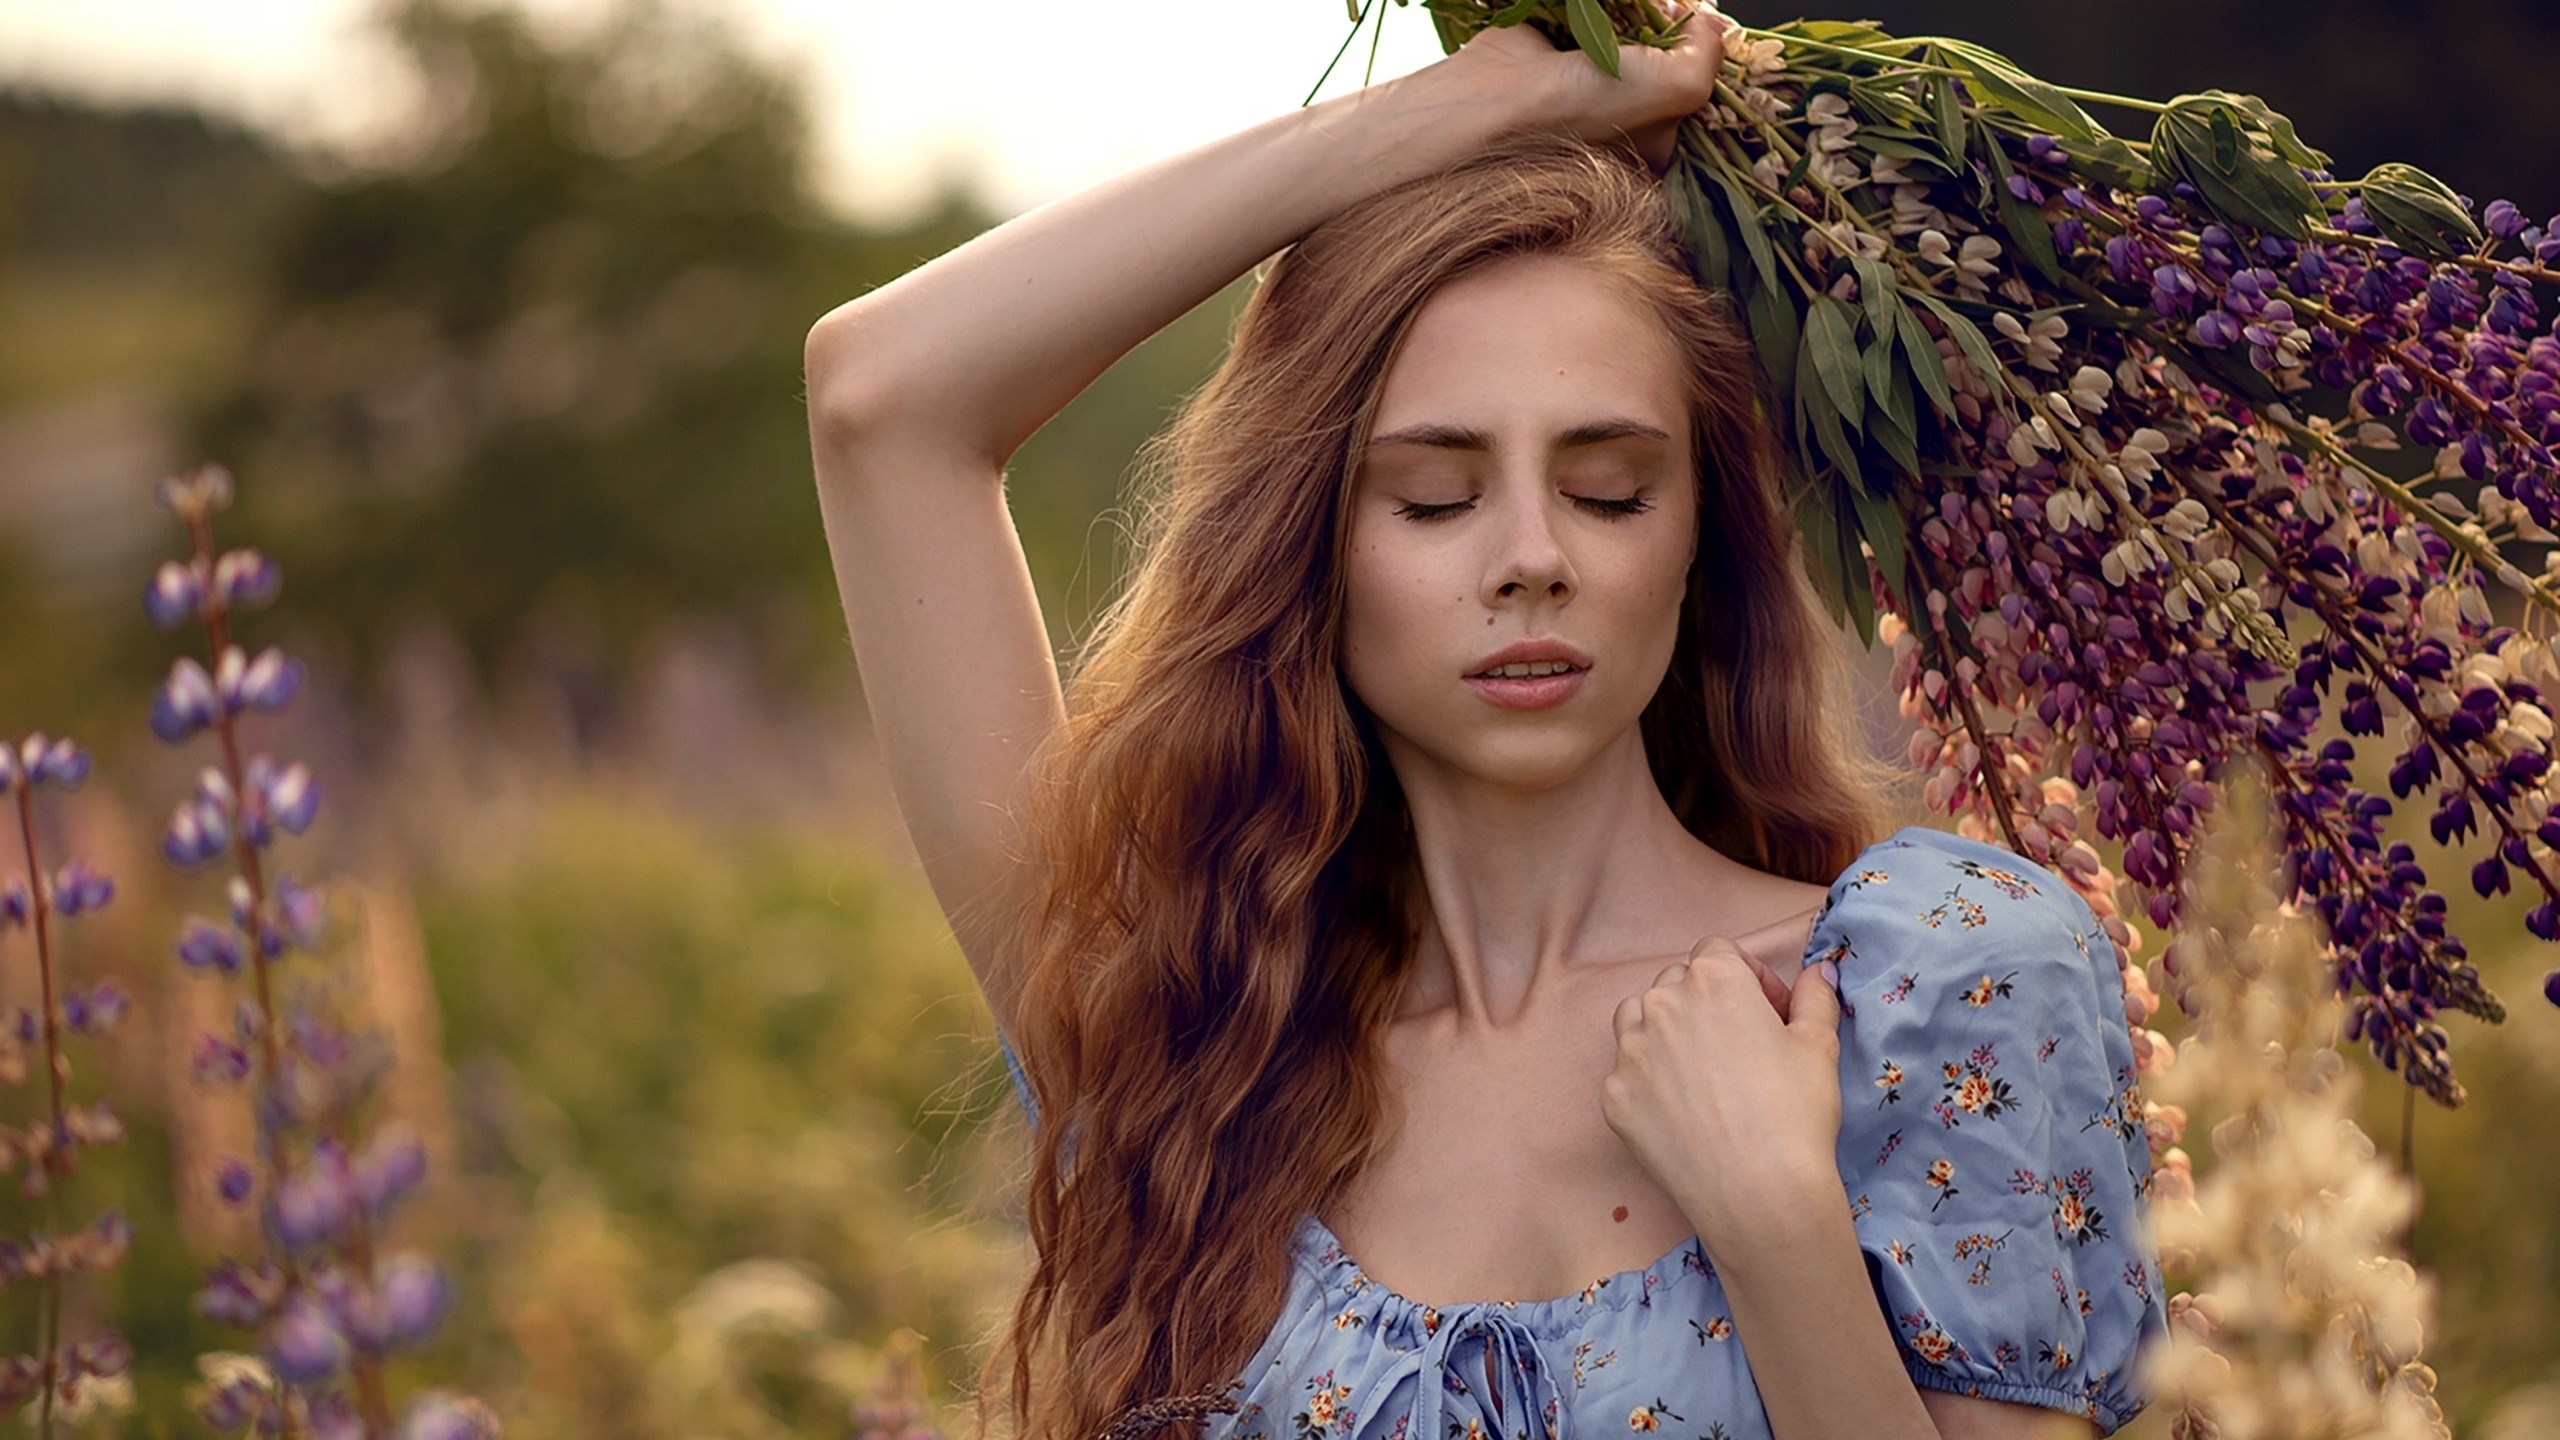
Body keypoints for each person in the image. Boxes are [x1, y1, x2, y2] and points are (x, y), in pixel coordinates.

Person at [801, 3, 2163, 1438]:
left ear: (1700, 538)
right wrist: (1467, 114)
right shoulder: (1188, 1041)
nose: (1533, 554)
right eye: (1434, 496)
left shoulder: (1929, 983)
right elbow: (884, 397)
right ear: (1309, 545)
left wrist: (1776, 1223)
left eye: (1610, 487)